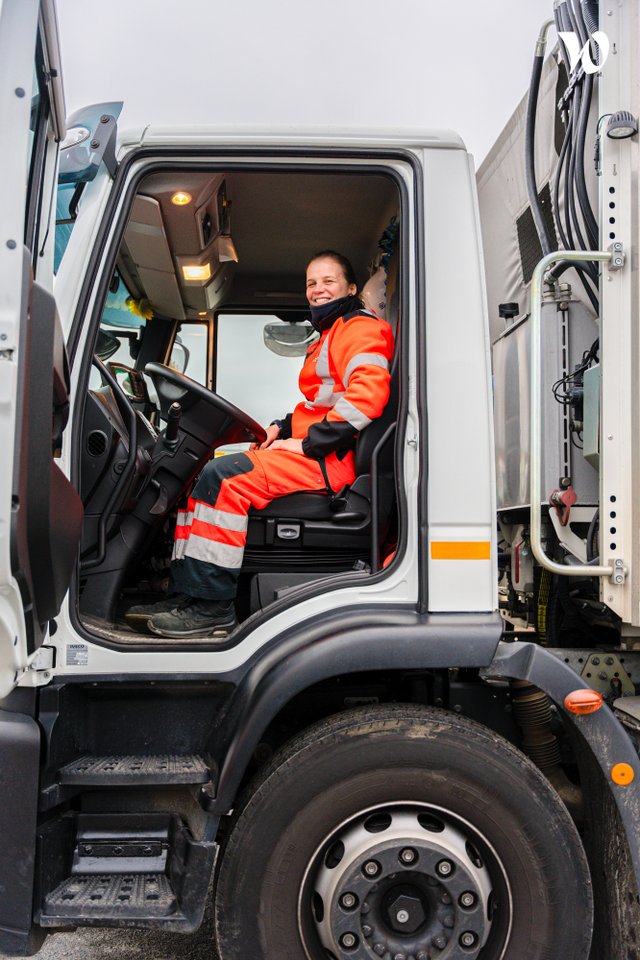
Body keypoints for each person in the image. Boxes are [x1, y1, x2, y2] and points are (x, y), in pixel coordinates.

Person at [127, 251, 394, 638]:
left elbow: (366, 398)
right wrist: (281, 426)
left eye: (328, 281)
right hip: (317, 449)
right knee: (201, 478)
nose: (318, 290)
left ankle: (213, 608)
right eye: (311, 283)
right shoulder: (330, 334)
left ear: (351, 288)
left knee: (223, 478)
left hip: (329, 460)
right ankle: (188, 594)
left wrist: (305, 446)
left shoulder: (359, 329)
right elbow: (320, 402)